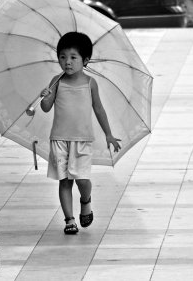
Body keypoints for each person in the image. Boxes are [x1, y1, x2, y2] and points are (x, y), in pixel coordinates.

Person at [40, 32, 121, 235]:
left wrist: (109, 134)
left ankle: (86, 200)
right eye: (63, 57)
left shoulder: (90, 82)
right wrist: (45, 97)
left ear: (85, 60)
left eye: (73, 57)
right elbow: (46, 107)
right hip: (59, 138)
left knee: (82, 180)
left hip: (82, 140)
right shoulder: (56, 81)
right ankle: (69, 219)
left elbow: (99, 109)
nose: (67, 62)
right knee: (65, 181)